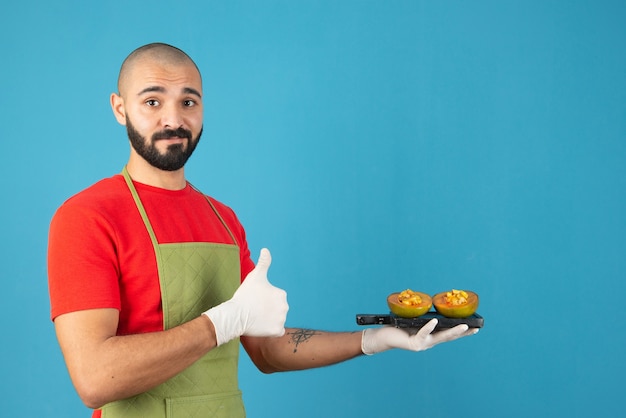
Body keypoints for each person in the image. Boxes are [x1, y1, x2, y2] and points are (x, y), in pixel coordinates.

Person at [48, 43, 478, 418]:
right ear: (119, 107)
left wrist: (371, 339)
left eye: (189, 102)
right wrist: (219, 324)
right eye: (153, 101)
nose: (173, 119)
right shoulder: (87, 216)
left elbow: (267, 349)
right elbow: (94, 377)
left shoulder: (222, 218)